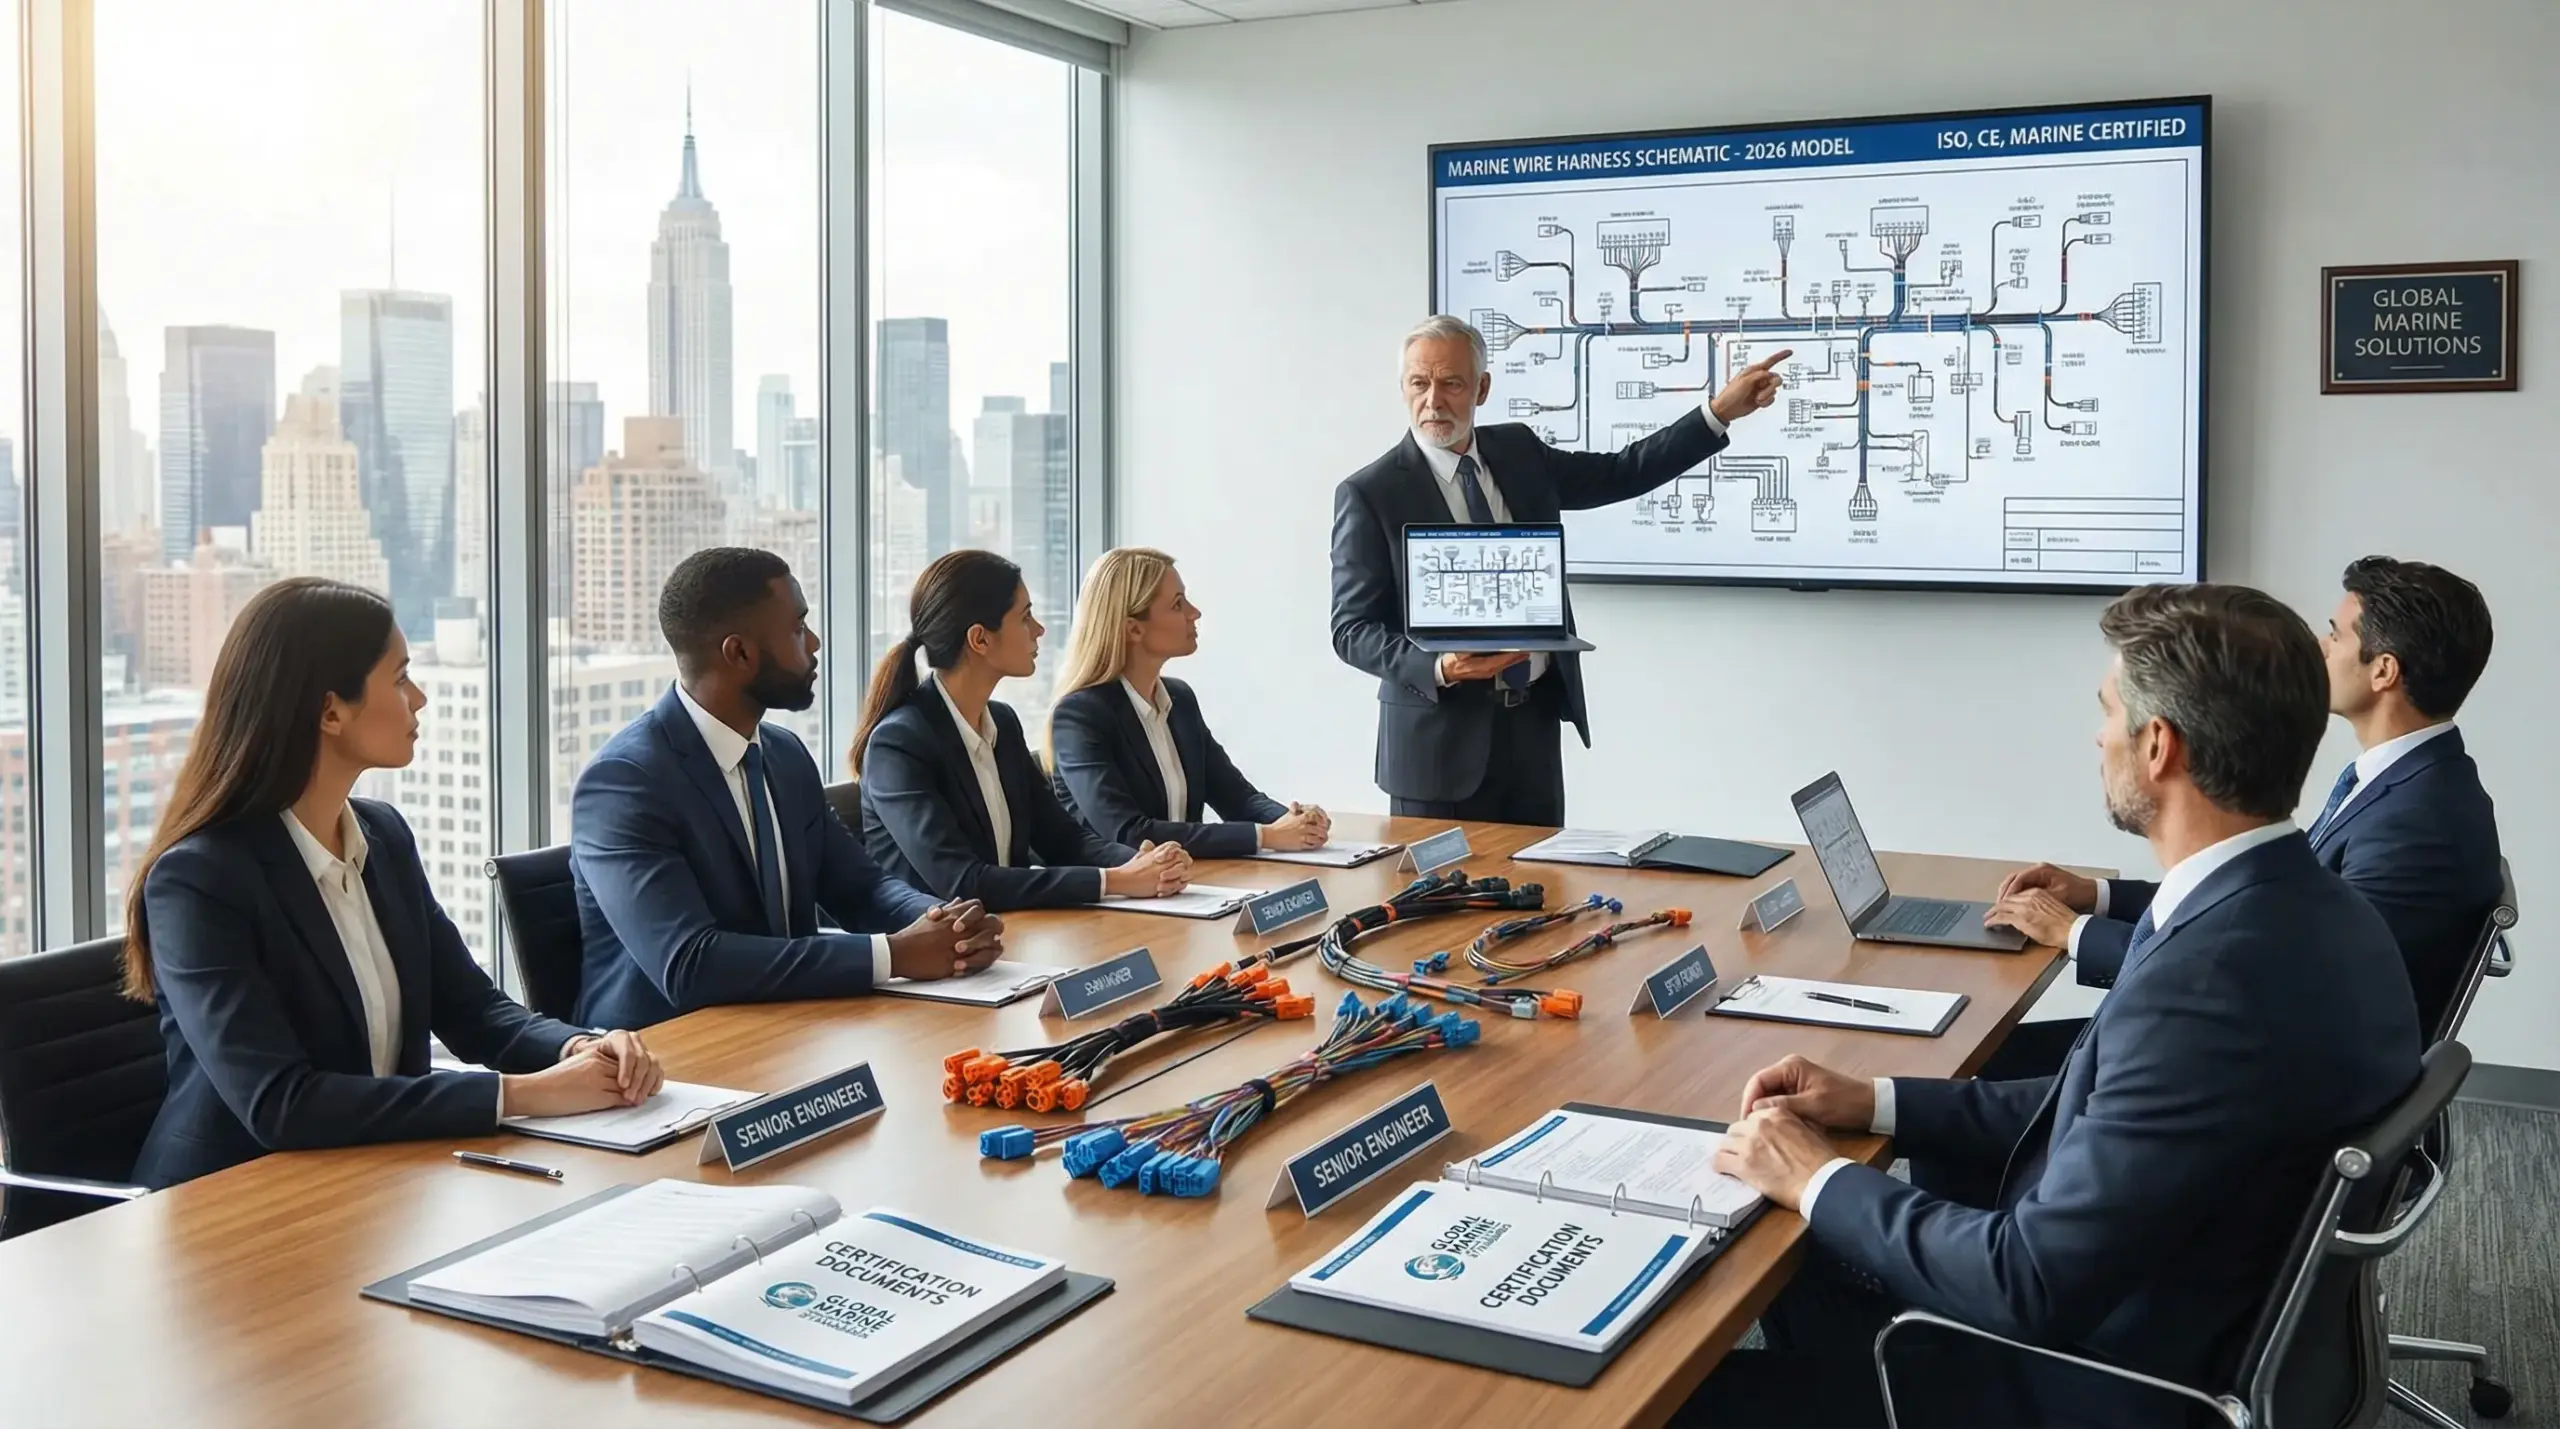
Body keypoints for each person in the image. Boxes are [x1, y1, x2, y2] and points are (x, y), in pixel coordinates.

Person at [1688, 583, 2422, 1428]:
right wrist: (1874, 1100)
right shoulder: (2302, 908)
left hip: (2077, 1380)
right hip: (2179, 1314)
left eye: (2108, 710)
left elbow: (2025, 1282)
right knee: (1795, 1253)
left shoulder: (2210, 981)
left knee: (1679, 1385)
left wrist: (1816, 1173)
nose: (2096, 734)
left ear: (2158, 746)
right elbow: (2100, 1102)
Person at [126, 578, 665, 1189]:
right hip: (233, 1202)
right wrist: (522, 1095)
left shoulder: (383, 837)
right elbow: (282, 1104)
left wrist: (578, 1050)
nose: (421, 697)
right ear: (330, 710)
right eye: (401, 676)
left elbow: (476, 1012)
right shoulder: (199, 881)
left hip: (373, 1179)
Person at [1986, 555, 2500, 1076]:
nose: (2320, 648)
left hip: (2263, 1068)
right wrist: (2099, 897)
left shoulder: (2414, 822)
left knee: (1977, 1070)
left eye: (2335, 635)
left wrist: (2074, 933)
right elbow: (2250, 905)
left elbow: (2282, 984)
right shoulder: (2407, 784)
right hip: (2259, 1043)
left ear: (2384, 670)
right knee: (1985, 1065)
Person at [1329, 314, 1789, 825]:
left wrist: (1718, 412)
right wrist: (1440, 667)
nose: (1433, 401)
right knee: (1449, 903)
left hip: (1532, 733)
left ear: (1482, 388)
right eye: (1419, 383)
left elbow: (1621, 472)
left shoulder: (1519, 451)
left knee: (1545, 897)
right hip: (1437, 752)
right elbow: (1352, 630)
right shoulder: (1369, 494)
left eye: (1451, 383)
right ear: (1402, 388)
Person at [572, 548, 1003, 1031]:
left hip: (789, 1026)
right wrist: (893, 955)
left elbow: (861, 887)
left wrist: (945, 923)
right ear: (740, 653)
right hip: (670, 1058)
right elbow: (691, 963)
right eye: (798, 628)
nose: (814, 642)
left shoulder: (784, 754)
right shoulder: (625, 781)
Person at [856, 549, 1194, 911]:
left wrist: (1141, 860)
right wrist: (1116, 880)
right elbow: (964, 881)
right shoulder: (899, 744)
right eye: (1026, 617)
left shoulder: (1003, 723)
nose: (1039, 630)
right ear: (980, 640)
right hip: (938, 956)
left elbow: (1062, 839)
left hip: (1011, 938)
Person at [1046, 547, 1330, 859]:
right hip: (1116, 899)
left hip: (1188, 886)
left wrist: (1294, 820)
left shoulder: (1179, 699)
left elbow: (1238, 799)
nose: (1194, 613)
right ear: (1133, 628)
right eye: (1177, 605)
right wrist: (1267, 835)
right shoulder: (1079, 716)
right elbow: (1130, 833)